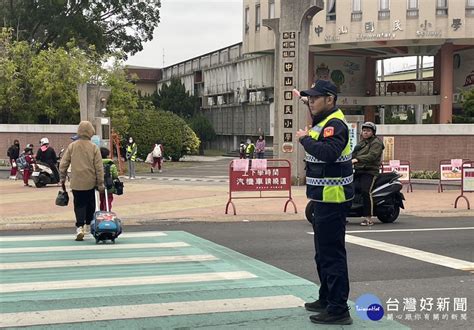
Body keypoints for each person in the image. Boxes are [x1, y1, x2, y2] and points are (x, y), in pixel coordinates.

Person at [295, 79, 354, 325]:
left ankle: (339, 309)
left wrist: (304, 139)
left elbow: (329, 153)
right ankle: (326, 298)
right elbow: (313, 108)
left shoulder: (335, 124)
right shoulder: (324, 119)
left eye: (314, 98)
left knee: (332, 255)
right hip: (322, 199)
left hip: (334, 199)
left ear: (330, 99)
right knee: (322, 254)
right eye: (308, 99)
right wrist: (302, 97)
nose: (310, 102)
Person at [59, 121, 104, 241]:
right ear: (91, 132)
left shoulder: (72, 146)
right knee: (90, 204)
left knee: (79, 204)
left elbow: (63, 164)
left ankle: (79, 227)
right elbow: (99, 167)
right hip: (90, 181)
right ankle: (88, 226)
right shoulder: (94, 147)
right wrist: (100, 183)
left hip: (76, 181)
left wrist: (62, 177)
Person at [352, 121, 384, 226]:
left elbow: (372, 156)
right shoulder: (361, 143)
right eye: (364, 130)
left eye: (368, 131)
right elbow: (352, 154)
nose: (365, 132)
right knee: (346, 188)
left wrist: (357, 160)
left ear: (373, 132)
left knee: (366, 191)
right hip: (358, 170)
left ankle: (368, 218)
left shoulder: (376, 143)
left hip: (369, 171)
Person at [100, 147, 119, 211]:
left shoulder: (97, 164)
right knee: (108, 199)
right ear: (107, 155)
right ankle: (107, 210)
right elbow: (115, 175)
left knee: (102, 199)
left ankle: (102, 211)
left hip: (100, 185)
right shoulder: (111, 164)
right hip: (109, 185)